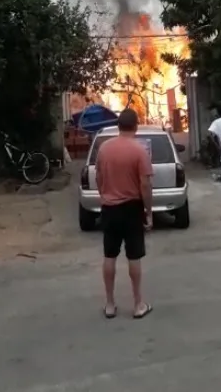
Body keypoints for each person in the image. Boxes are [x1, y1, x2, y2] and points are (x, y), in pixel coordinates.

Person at [96, 108, 153, 319]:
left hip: (109, 208)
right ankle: (138, 304)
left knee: (109, 255)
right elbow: (145, 185)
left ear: (118, 126)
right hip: (132, 208)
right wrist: (148, 212)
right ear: (136, 126)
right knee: (134, 255)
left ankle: (110, 304)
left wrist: (105, 196)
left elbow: (99, 178)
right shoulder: (139, 151)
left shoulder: (104, 149)